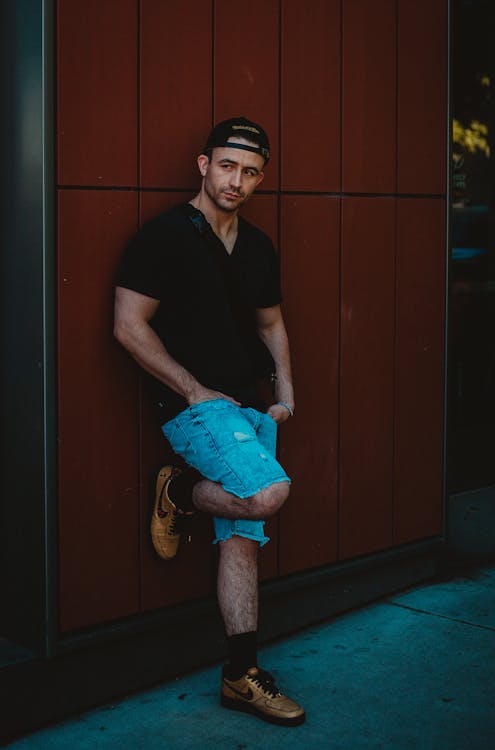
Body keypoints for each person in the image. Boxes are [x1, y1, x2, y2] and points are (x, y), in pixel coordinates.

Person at [114, 117, 305, 726]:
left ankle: (240, 675)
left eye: (250, 172)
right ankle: (182, 491)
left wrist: (286, 389)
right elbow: (128, 326)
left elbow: (270, 323)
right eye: (227, 166)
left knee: (243, 540)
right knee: (268, 491)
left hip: (249, 408)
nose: (237, 181)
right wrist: (194, 390)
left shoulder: (257, 247)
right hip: (194, 410)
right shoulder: (164, 237)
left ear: (261, 178)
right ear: (203, 164)